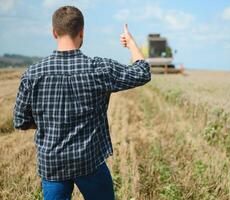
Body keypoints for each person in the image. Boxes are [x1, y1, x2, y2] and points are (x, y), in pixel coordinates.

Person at [13, 5, 151, 200]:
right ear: (82, 32)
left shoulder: (32, 74)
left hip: (52, 163)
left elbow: (20, 120)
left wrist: (49, 123)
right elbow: (143, 72)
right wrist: (130, 43)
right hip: (89, 160)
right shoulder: (99, 68)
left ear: (54, 32)